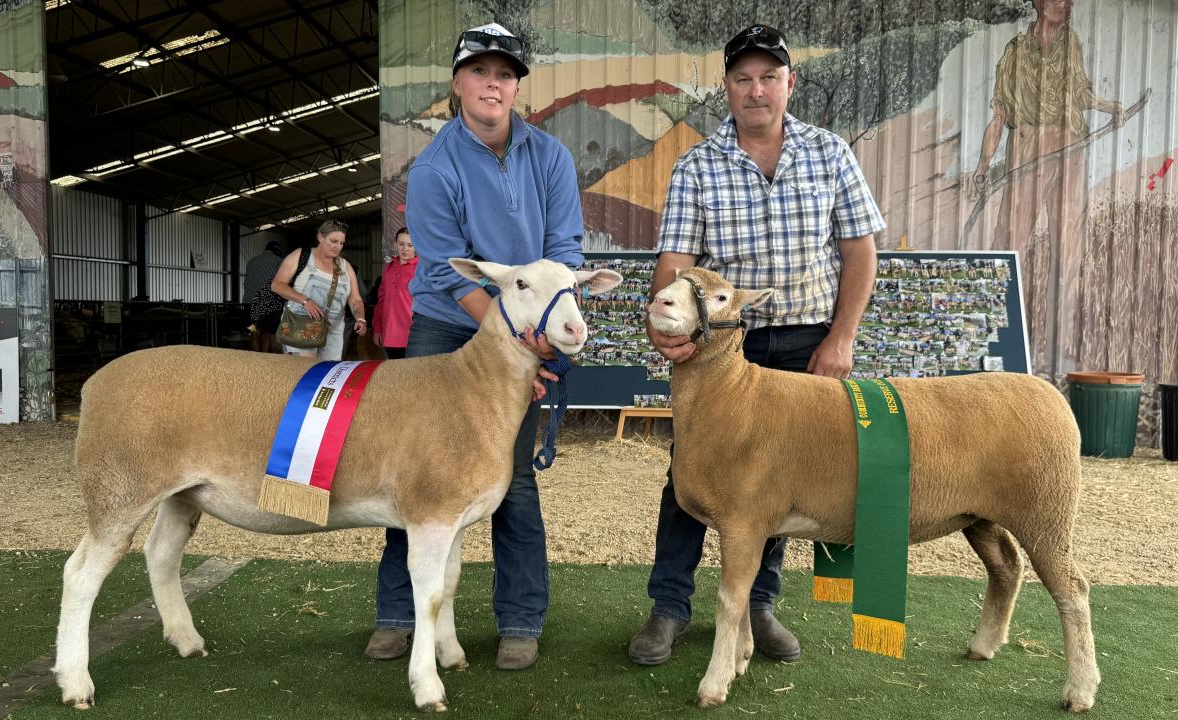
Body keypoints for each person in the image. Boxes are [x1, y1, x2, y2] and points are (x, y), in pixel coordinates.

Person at [628, 24, 885, 666]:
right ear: (726, 88)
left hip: (808, 342)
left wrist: (842, 338)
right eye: (743, 78)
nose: (756, 89)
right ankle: (669, 606)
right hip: (724, 349)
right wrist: (667, 327)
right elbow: (675, 264)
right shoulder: (696, 165)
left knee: (782, 477)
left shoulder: (830, 154)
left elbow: (860, 254)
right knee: (689, 470)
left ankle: (758, 605)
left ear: (789, 83)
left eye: (769, 77)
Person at [364, 22, 584, 671]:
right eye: (480, 71)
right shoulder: (434, 168)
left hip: (529, 319)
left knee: (510, 474)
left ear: (516, 85)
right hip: (447, 321)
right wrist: (512, 346)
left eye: (505, 73)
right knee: (415, 472)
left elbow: (566, 253)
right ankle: (400, 613)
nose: (493, 83)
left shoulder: (551, 159)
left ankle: (519, 618)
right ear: (458, 83)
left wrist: (537, 339)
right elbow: (439, 271)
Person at [969, 0, 1125, 362]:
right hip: (1026, 147)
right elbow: (1000, 115)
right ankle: (995, 336)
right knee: (1009, 241)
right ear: (1040, 3)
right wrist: (982, 165)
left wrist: (1110, 107)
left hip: (1070, 146)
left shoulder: (1071, 43)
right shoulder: (1015, 51)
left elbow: (1081, 94)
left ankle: (1061, 342)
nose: (1067, 5)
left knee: (1069, 242)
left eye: (1070, 0)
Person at [269, 218, 367, 361]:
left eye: (341, 243)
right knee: (306, 370)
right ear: (320, 237)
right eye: (333, 241)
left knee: (327, 375)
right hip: (301, 326)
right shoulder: (301, 255)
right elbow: (277, 285)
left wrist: (360, 318)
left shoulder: (346, 267)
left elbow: (356, 298)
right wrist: (305, 300)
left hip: (333, 333)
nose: (337, 247)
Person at [373, 228, 418, 359]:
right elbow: (381, 302)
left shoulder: (422, 269)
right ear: (395, 244)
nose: (405, 249)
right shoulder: (388, 268)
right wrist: (377, 329)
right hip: (391, 335)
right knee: (397, 376)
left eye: (410, 245)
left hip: (414, 335)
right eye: (401, 244)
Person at [243, 240, 284, 352]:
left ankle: (255, 360)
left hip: (248, 303)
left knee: (253, 331)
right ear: (277, 251)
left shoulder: (251, 261)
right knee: (266, 332)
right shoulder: (278, 261)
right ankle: (264, 359)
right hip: (265, 303)